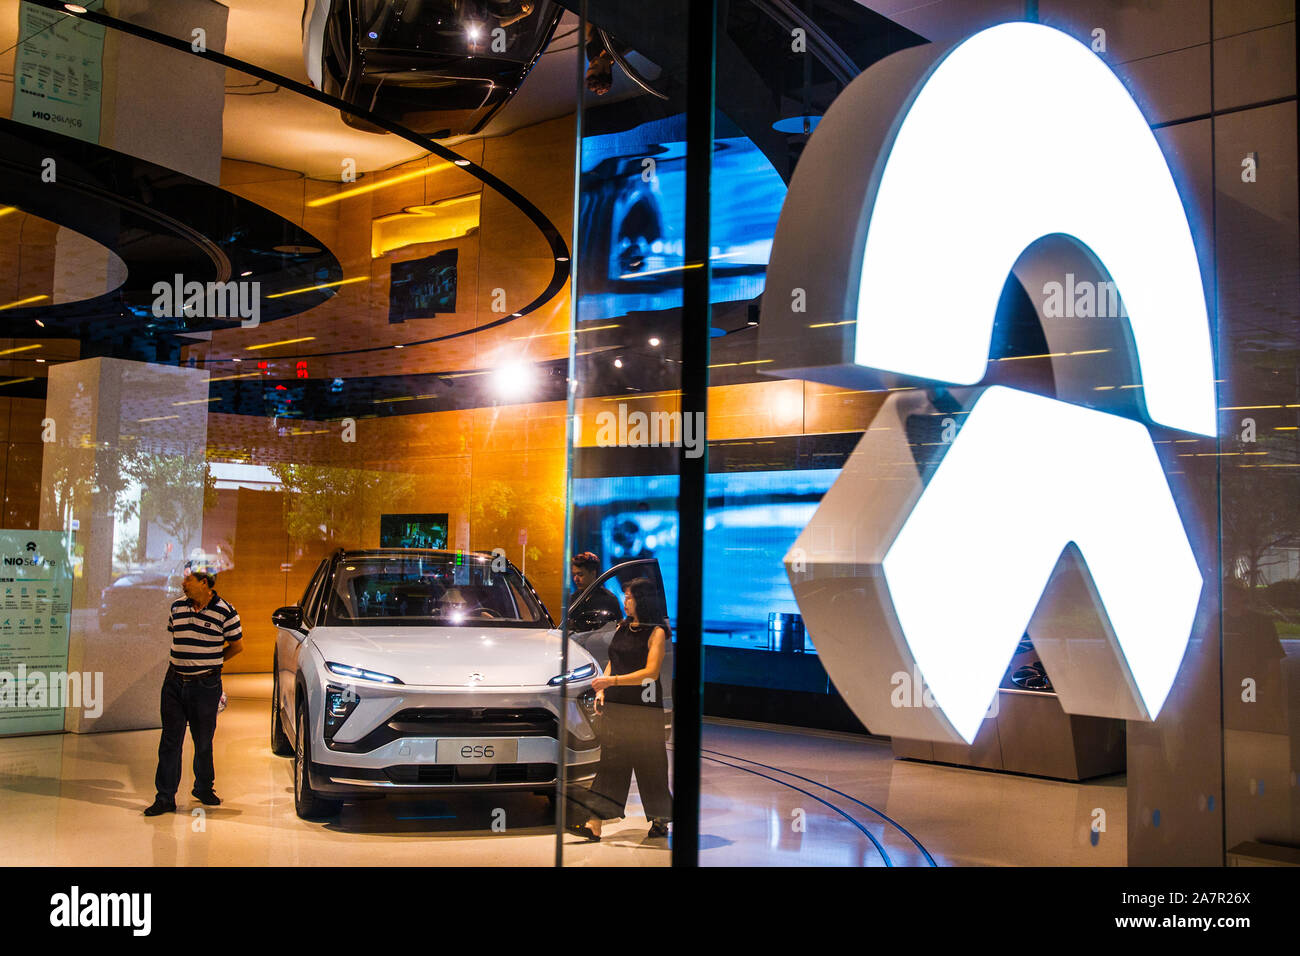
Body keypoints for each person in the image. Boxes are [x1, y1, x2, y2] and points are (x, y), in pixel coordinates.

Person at [569, 577, 672, 841]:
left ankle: (660, 819)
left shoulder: (656, 632)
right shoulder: (623, 627)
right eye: (625, 597)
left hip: (644, 708)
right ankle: (595, 822)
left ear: (643, 600)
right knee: (611, 764)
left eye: (630, 597)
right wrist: (603, 689)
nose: (625, 602)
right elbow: (614, 660)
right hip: (617, 706)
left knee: (650, 763)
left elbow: (650, 673)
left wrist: (610, 681)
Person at [143, 560, 243, 816]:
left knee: (203, 741)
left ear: (205, 583)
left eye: (189, 579)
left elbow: (236, 646)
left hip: (205, 685)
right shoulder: (177, 607)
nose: (183, 583)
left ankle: (203, 787)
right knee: (170, 740)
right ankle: (165, 797)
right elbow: (176, 638)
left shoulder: (226, 612)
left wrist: (212, 663)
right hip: (174, 682)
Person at [569, 552, 623, 622]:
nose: (575, 579)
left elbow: (618, 626)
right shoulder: (573, 598)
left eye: (580, 574)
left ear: (593, 573)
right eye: (574, 575)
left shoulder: (609, 599)